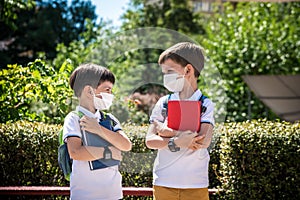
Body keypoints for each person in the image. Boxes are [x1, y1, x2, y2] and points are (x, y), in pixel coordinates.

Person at [146, 42, 215, 200]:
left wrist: (169, 132)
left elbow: (203, 141)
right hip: (164, 182)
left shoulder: (206, 104)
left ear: (188, 70)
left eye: (169, 71)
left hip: (196, 185)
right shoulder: (163, 103)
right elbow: (150, 140)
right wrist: (178, 141)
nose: (165, 77)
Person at [63, 63, 132, 200]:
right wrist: (109, 152)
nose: (110, 95)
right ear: (89, 91)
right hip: (84, 196)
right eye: (107, 89)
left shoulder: (109, 119)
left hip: (114, 195)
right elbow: (76, 152)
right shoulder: (74, 118)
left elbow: (126, 145)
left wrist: (98, 129)